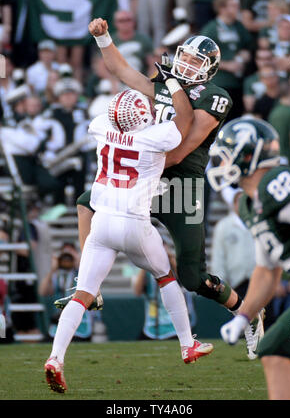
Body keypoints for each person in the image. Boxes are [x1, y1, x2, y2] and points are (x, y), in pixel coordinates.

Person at [55, 17, 264, 359]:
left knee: (193, 277)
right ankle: (88, 288)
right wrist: (104, 39)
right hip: (147, 178)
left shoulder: (215, 97)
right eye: (186, 56)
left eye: (196, 61)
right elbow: (124, 72)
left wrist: (128, 160)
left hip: (181, 186)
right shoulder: (164, 82)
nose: (187, 64)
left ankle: (246, 311)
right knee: (86, 202)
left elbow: (180, 148)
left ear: (209, 68)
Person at [44, 76, 214, 393]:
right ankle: (187, 344)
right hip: (135, 223)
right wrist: (174, 86)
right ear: (143, 116)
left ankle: (56, 357)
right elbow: (186, 118)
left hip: (102, 223)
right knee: (165, 276)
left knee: (83, 294)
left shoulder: (100, 127)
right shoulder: (153, 137)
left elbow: (109, 119)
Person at [207, 117, 290, 400]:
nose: (220, 166)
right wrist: (244, 315)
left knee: (274, 348)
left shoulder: (276, 183)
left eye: (225, 157)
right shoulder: (250, 204)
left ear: (248, 155)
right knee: (280, 354)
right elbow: (267, 270)